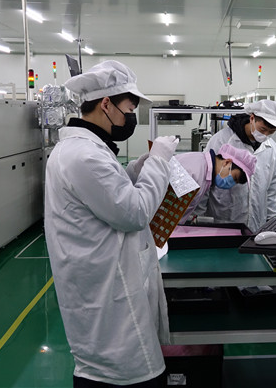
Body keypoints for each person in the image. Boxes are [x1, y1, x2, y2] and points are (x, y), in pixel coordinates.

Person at [44, 60, 179, 388]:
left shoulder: (88, 150)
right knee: (121, 372)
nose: (131, 117)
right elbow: (134, 212)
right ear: (106, 103)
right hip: (108, 298)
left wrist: (139, 168)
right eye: (130, 109)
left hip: (106, 285)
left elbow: (110, 192)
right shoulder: (84, 156)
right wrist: (159, 162)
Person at [194, 99, 276, 233]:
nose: (265, 135)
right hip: (222, 222)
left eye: (271, 132)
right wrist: (199, 222)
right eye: (263, 129)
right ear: (252, 118)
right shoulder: (221, 140)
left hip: (257, 224)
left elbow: (271, 190)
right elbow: (204, 182)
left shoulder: (272, 148)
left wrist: (273, 222)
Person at [175, 143, 257, 224]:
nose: (232, 184)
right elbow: (171, 210)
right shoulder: (196, 172)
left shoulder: (203, 169)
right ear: (227, 162)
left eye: (236, 182)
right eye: (235, 178)